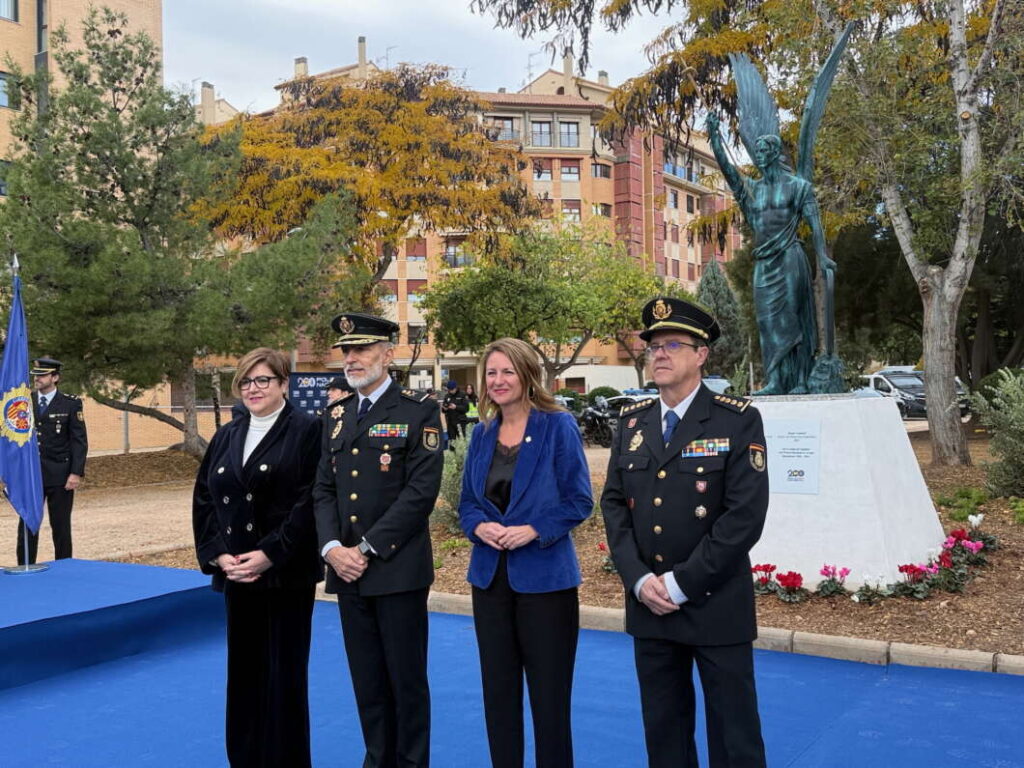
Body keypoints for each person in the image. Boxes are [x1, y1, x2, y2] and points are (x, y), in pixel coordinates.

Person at [601, 297, 770, 768]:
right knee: (664, 732)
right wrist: (638, 580)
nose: (659, 353)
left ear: (701, 355)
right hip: (650, 604)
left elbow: (744, 517)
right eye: (652, 345)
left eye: (673, 344)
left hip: (714, 602)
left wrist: (679, 584)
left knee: (734, 735)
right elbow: (614, 505)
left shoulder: (736, 419)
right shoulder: (631, 422)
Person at [313, 312, 443, 768]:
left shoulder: (418, 409)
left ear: (387, 354)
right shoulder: (335, 414)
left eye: (362, 349)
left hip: (396, 568)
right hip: (346, 571)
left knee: (405, 681)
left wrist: (364, 549)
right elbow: (323, 490)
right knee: (366, 680)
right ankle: (377, 758)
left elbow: (420, 493)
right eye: (346, 351)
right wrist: (332, 549)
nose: (351, 359)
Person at [459, 337, 592, 768]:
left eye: (506, 371)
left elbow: (579, 500)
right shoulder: (482, 433)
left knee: (549, 702)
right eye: (491, 373)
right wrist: (479, 525)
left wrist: (533, 529)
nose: (497, 381)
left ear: (527, 374)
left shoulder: (558, 425)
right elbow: (467, 504)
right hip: (490, 582)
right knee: (498, 698)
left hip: (545, 584)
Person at [192, 347, 322, 768]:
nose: (253, 388)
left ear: (285, 384)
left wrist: (269, 553)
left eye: (263, 380)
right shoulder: (228, 434)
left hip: (284, 576)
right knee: (244, 678)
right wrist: (218, 554)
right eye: (246, 381)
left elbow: (309, 503)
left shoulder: (307, 430)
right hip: (237, 576)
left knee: (283, 680)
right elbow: (205, 499)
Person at [17, 357, 87, 564]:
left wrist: (76, 472)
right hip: (31, 475)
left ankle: (64, 566)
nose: (37, 379)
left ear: (55, 377)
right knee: (27, 524)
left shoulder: (70, 403)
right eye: (36, 375)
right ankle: (26, 565)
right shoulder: (25, 402)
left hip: (60, 474)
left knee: (61, 525)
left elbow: (78, 441)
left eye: (42, 375)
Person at [442, 379, 469, 444]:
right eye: (449, 390)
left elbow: (466, 408)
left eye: (452, 389)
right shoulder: (447, 396)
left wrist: (456, 407)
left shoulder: (462, 395)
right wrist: (444, 409)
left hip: (460, 422)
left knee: (462, 441)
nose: (451, 391)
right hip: (451, 423)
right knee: (452, 442)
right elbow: (444, 409)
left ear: (456, 388)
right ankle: (452, 453)